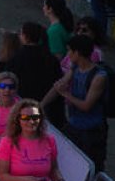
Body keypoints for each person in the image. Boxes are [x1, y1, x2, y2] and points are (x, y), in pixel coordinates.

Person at [46, 34, 108, 172]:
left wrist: (66, 94)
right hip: (74, 126)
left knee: (92, 168)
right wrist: (40, 105)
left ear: (77, 53)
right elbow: (58, 87)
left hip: (92, 132)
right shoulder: (75, 68)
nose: (67, 54)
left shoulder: (99, 77)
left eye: (70, 51)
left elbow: (86, 106)